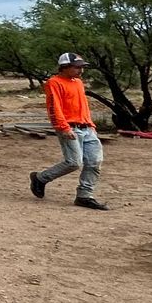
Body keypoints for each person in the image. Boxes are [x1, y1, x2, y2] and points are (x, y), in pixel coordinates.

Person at [30, 52, 107, 210]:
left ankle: (85, 195)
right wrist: (63, 127)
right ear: (65, 67)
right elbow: (54, 107)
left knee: (94, 161)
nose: (81, 70)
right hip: (70, 127)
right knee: (73, 162)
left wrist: (90, 124)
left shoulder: (78, 82)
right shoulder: (54, 82)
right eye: (77, 67)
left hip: (86, 127)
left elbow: (83, 105)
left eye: (81, 67)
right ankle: (40, 178)